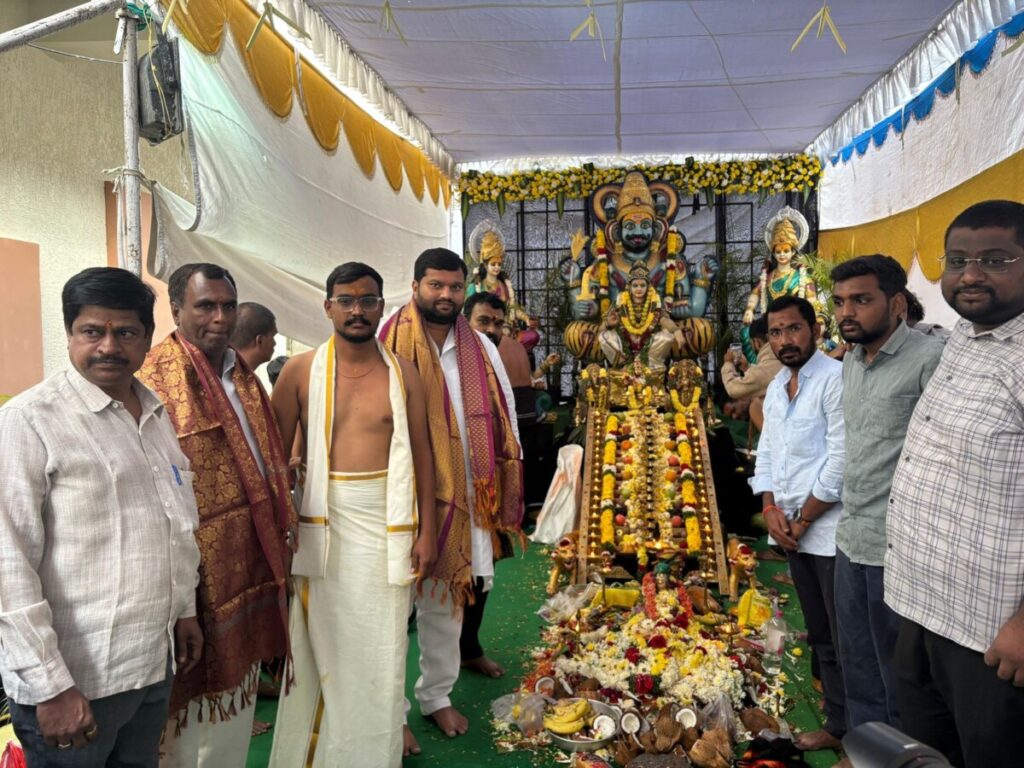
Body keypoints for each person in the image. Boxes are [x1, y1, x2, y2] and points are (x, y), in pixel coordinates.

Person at [0, 267, 202, 767]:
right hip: (75, 683)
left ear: (147, 338)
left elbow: (175, 523)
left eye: (126, 332)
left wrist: (184, 610)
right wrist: (50, 687)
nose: (109, 346)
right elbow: (8, 564)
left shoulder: (154, 414)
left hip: (150, 664)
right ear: (70, 334)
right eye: (93, 331)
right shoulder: (31, 420)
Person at [267, 263, 436, 767]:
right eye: (346, 300)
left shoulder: (403, 372)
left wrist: (426, 531)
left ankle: (371, 755)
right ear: (328, 307)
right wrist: (281, 530)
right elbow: (274, 461)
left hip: (388, 523)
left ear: (382, 306)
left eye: (367, 300)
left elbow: (423, 456)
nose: (357, 309)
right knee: (326, 649)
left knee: (383, 651)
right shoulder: (300, 372)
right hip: (322, 524)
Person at [137, 263, 296, 768]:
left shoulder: (241, 374)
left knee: (235, 705)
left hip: (248, 561)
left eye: (228, 305)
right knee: (187, 717)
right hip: (189, 575)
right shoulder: (152, 380)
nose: (220, 317)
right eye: (206, 305)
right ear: (177, 309)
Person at [885, 200, 1024, 767]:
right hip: (923, 608)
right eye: (958, 258)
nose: (970, 274)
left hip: (992, 637)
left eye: (995, 259)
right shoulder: (963, 337)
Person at [379, 248, 523, 752]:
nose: (445, 296)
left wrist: (504, 486)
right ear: (416, 284)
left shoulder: (480, 346)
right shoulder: (384, 342)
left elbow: (505, 416)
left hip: (466, 497)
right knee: (395, 608)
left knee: (446, 604)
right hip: (402, 494)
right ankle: (389, 714)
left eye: (454, 287)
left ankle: (436, 696)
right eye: (435, 285)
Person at [829, 255, 944, 738]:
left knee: (901, 675)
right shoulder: (851, 361)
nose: (846, 312)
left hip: (898, 546)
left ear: (896, 303)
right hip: (851, 535)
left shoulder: (930, 360)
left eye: (861, 300)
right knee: (856, 660)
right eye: (839, 302)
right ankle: (864, 749)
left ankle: (903, 755)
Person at [750, 294, 846, 752]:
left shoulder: (835, 379)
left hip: (827, 531)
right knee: (820, 633)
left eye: (793, 329)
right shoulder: (775, 387)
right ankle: (838, 724)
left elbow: (841, 462)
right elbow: (767, 453)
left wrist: (803, 519)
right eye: (775, 332)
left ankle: (862, 737)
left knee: (847, 637)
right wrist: (770, 509)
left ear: (815, 328)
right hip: (791, 530)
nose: (784, 340)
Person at [230, 302, 278, 371]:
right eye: (272, 337)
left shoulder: (214, 376)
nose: (274, 343)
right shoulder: (241, 379)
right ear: (260, 341)